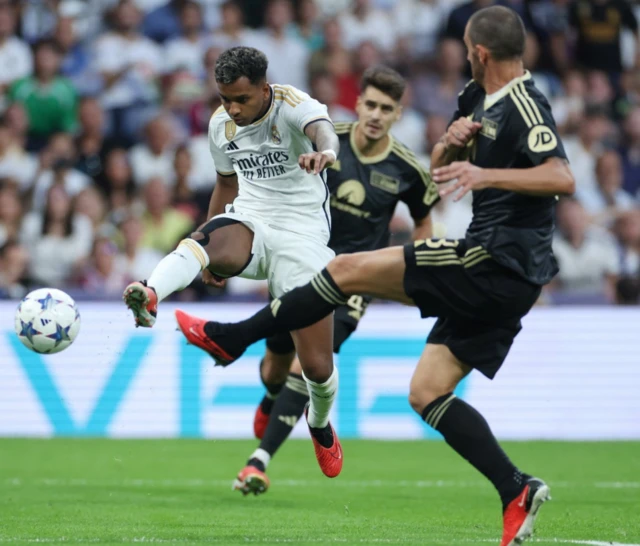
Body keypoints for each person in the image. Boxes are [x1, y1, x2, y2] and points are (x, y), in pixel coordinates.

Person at [173, 7, 575, 546]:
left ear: (479, 51)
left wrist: (483, 172)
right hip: (503, 275)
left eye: (464, 46)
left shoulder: (525, 102)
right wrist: (453, 145)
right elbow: (439, 165)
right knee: (427, 392)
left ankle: (230, 339)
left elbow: (561, 176)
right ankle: (515, 489)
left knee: (341, 271)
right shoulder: (474, 100)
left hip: (497, 258)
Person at [122, 46, 343, 483]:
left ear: (265, 88)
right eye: (225, 98)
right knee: (202, 239)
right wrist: (210, 249)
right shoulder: (221, 125)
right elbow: (226, 183)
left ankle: (318, 423)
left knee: (316, 367)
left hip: (303, 237)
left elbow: (324, 131)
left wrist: (327, 155)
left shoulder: (294, 105)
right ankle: (151, 292)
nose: (233, 108)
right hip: (252, 222)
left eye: (241, 98)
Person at [235, 65, 439, 496]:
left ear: (398, 114)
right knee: (273, 369)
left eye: (387, 108)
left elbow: (424, 223)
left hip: (352, 283)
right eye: (370, 104)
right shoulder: (325, 137)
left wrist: (418, 271)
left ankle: (259, 461)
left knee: (305, 366)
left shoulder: (406, 168)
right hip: (299, 264)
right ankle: (272, 401)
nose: (376, 115)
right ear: (358, 103)